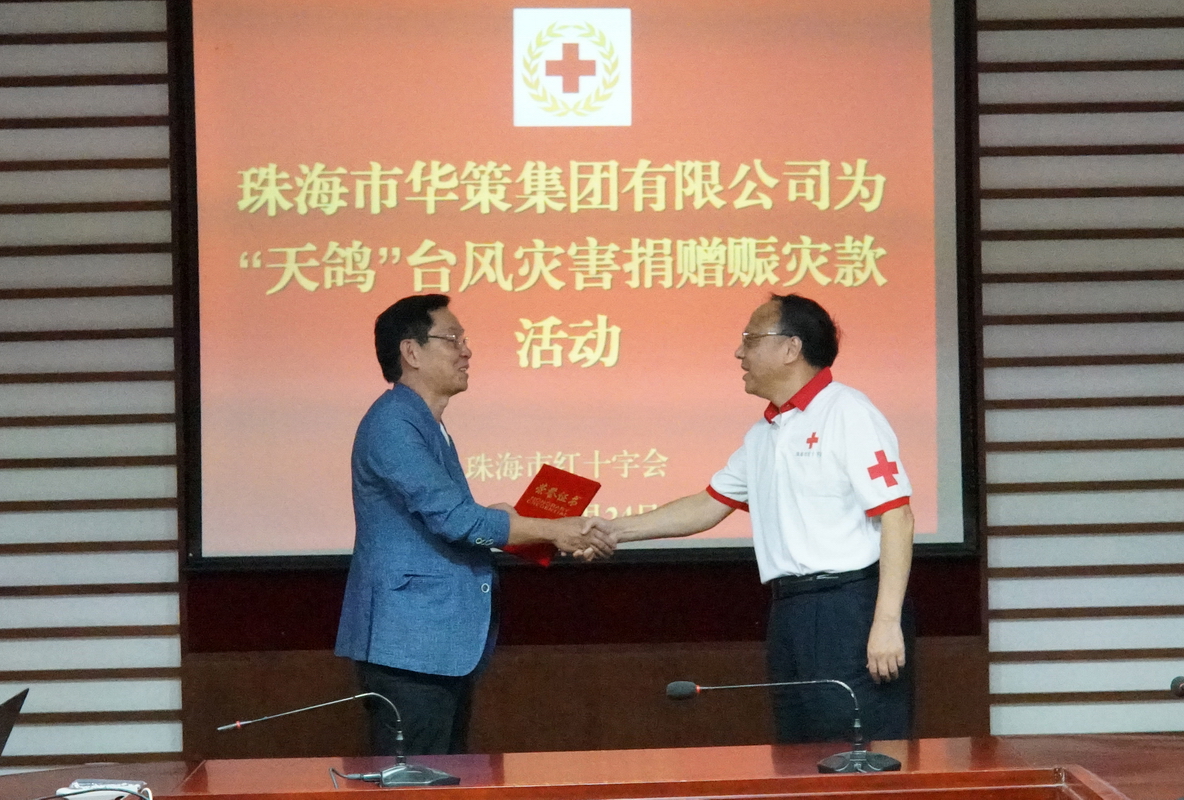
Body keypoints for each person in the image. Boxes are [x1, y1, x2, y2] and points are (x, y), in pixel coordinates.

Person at [592, 294, 915, 744]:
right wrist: (612, 531)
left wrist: (886, 622)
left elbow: (898, 516)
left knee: (858, 750)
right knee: (797, 749)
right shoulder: (765, 433)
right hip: (789, 611)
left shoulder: (848, 412)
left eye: (750, 339)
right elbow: (708, 505)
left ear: (791, 348)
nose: (738, 353)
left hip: (849, 607)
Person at [335, 294, 615, 756]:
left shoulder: (423, 421)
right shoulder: (394, 423)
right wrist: (554, 530)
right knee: (417, 783)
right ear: (412, 352)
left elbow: (444, 515)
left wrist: (517, 519)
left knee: (444, 777)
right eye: (453, 339)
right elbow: (454, 520)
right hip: (411, 646)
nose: (467, 351)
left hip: (431, 646)